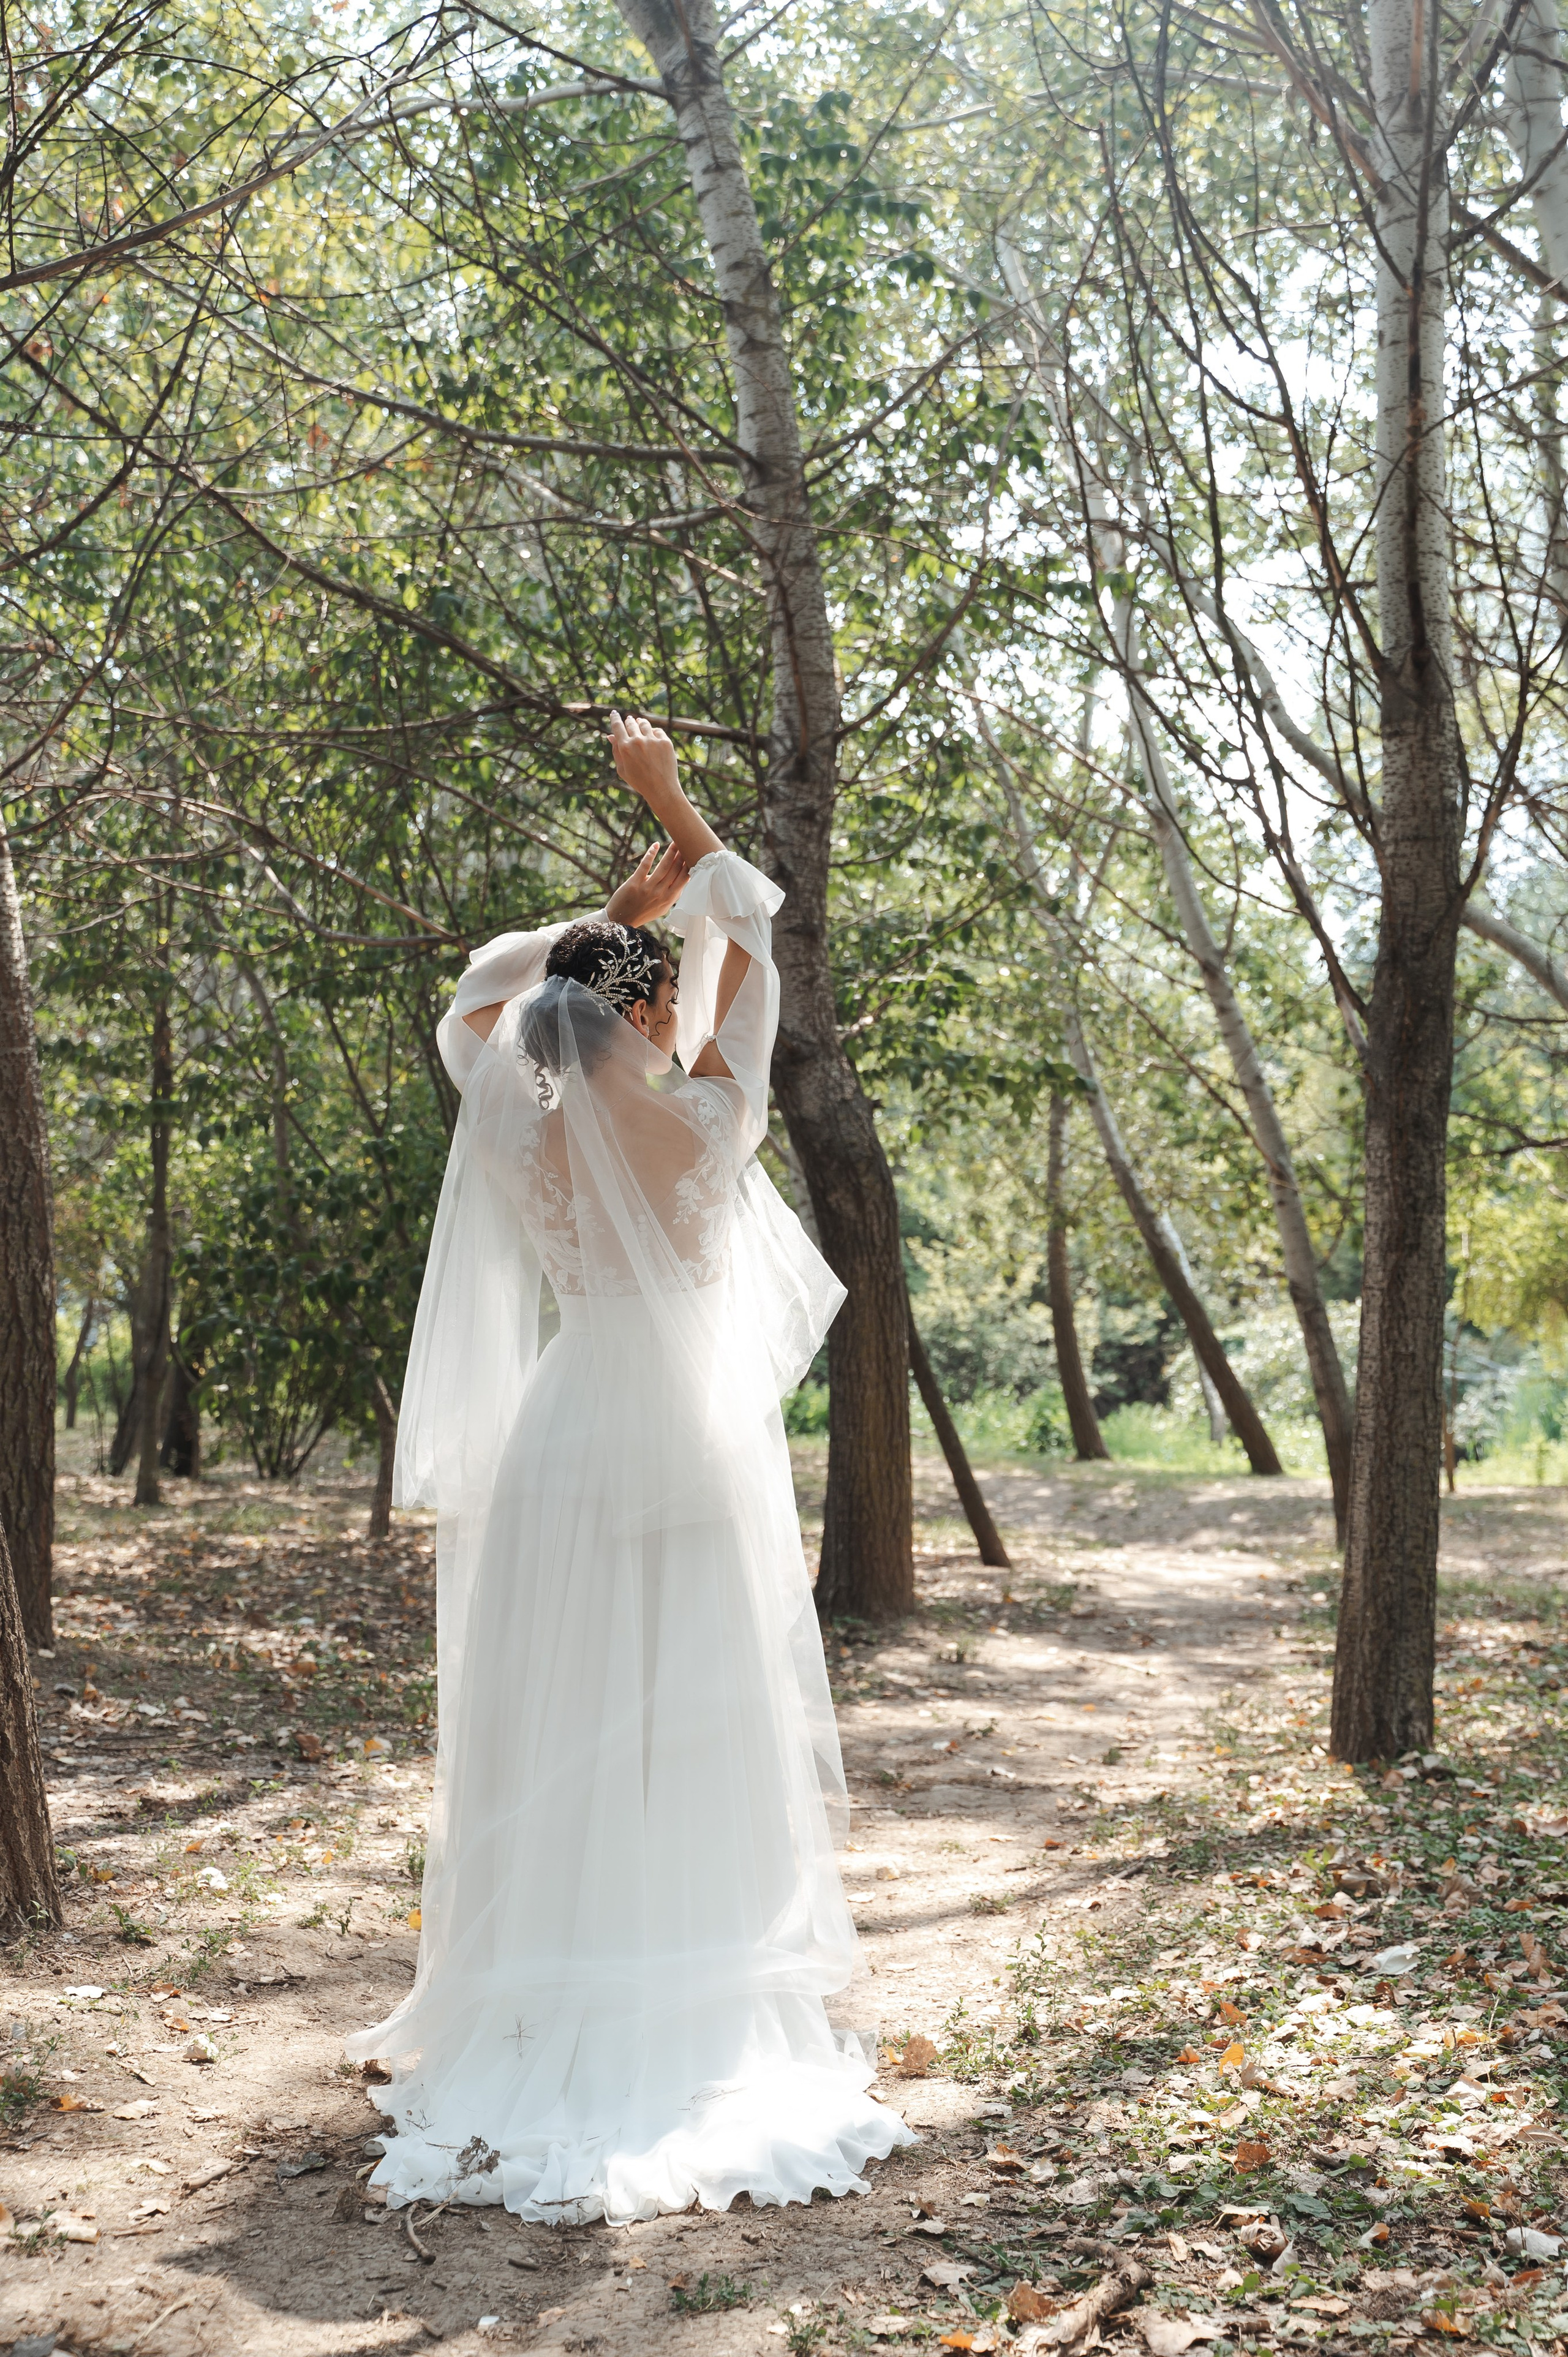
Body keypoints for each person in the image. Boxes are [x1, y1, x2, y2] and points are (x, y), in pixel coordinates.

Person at [347, 714, 913, 2223]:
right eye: (656, 1007)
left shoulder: (509, 1120)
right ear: (644, 1025)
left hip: (562, 1432)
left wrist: (611, 919)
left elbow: (476, 989)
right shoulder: (702, 1128)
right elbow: (759, 949)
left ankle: (542, 1991)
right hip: (683, 1444)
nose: (672, 1021)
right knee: (685, 1709)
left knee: (562, 1714)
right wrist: (673, 814)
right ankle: (683, 1988)